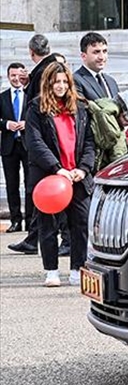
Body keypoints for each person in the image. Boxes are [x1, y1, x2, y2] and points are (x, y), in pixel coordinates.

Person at [23, 61, 96, 287]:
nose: (61, 86)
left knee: (81, 223)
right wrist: (57, 169)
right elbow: (35, 143)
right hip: (49, 177)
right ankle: (51, 270)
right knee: (48, 225)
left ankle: (77, 269)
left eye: (65, 82)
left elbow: (90, 143)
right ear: (48, 83)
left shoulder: (81, 108)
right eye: (56, 82)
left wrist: (83, 169)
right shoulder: (36, 108)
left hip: (76, 176)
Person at [7, 37, 58, 254]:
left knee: (38, 190)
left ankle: (56, 239)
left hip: (42, 142)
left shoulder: (47, 70)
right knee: (37, 190)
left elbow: (42, 105)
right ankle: (33, 237)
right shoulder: (45, 70)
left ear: (31, 52)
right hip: (38, 143)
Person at [75, 32, 128, 171]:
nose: (102, 57)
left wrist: (122, 118)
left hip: (116, 149)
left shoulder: (111, 81)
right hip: (93, 151)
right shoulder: (76, 80)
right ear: (83, 55)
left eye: (105, 51)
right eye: (96, 52)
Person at [2, 63, 28, 233]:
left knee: (30, 184)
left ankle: (32, 221)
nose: (16, 78)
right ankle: (15, 221)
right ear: (8, 76)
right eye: (13, 75)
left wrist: (27, 123)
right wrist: (6, 124)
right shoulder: (2, 97)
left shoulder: (31, 95)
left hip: (28, 145)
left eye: (20, 75)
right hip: (8, 146)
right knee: (12, 185)